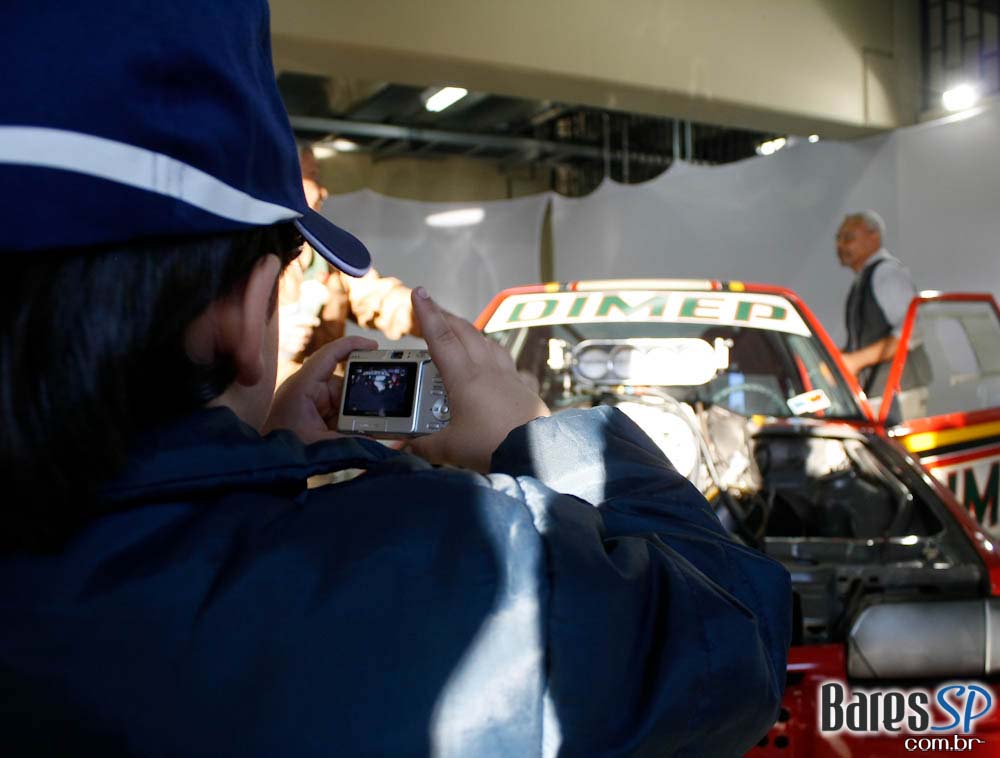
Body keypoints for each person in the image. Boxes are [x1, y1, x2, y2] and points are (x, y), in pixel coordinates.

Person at [0, 2, 791, 756]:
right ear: (244, 317)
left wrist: (257, 464)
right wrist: (540, 436)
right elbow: (734, 634)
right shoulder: (443, 569)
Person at [278, 146, 420, 381]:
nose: (323, 192)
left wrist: (434, 320)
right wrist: (267, 337)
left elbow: (378, 298)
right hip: (272, 407)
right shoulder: (249, 252)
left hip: (321, 401)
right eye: (312, 176)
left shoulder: (323, 256)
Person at [836, 210, 928, 401]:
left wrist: (854, 361)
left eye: (848, 238)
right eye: (839, 238)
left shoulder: (887, 273)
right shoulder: (865, 278)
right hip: (882, 394)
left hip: (900, 394)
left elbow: (913, 330)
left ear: (874, 236)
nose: (840, 245)